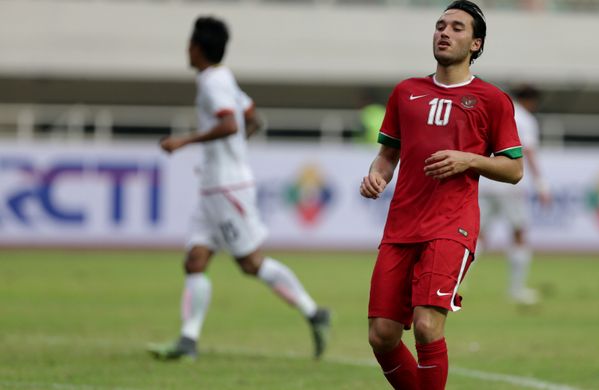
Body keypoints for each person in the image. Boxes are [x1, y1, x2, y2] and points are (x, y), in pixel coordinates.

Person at [359, 2, 524, 388]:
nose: (444, 33)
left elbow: (514, 169)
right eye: (440, 25)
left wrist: (468, 160)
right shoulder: (406, 92)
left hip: (451, 226)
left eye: (456, 28)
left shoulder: (491, 100)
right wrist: (376, 176)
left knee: (426, 325)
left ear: (476, 44)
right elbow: (387, 156)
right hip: (400, 226)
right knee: (381, 335)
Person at [148, 16, 330, 361]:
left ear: (198, 48)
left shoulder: (210, 82)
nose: (186, 49)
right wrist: (232, 153)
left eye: (189, 43)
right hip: (215, 187)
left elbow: (230, 122)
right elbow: (251, 118)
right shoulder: (224, 76)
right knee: (195, 259)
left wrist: (184, 141)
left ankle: (313, 312)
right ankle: (188, 341)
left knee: (250, 263)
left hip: (226, 188)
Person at [478, 84, 551, 306]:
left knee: (477, 235)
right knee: (519, 233)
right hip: (509, 183)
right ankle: (516, 289)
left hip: (487, 180)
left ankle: (451, 283)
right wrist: (541, 185)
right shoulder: (526, 120)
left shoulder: (499, 112)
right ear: (531, 101)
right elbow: (528, 152)